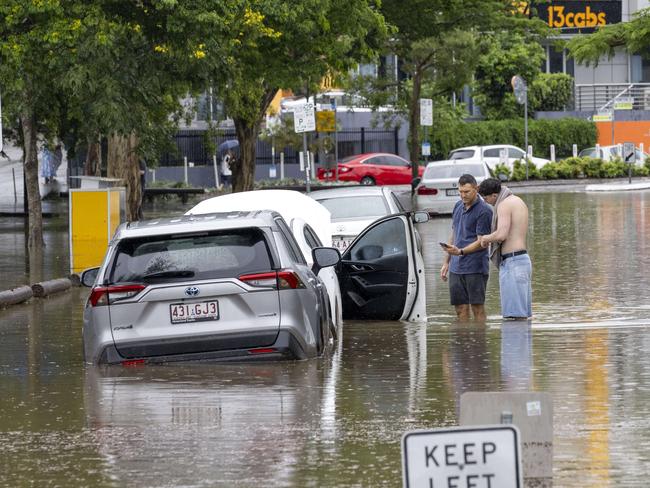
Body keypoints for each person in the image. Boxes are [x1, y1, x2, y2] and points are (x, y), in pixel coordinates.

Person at [440, 174, 493, 321]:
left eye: (466, 192)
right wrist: (446, 262)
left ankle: (479, 341)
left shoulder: (484, 210)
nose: (463, 195)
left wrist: (461, 252)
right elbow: (454, 233)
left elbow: (482, 241)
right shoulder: (458, 205)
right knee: (460, 309)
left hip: (475, 267)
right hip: (456, 267)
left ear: (476, 189)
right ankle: (464, 342)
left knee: (477, 308)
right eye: (460, 191)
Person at [478, 178, 532, 320]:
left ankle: (513, 343)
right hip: (523, 260)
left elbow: (501, 234)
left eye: (485, 198)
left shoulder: (503, 205)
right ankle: (522, 342)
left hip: (512, 262)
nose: (485, 202)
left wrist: (485, 238)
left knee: (513, 316)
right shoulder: (518, 201)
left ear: (494, 195)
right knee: (522, 315)